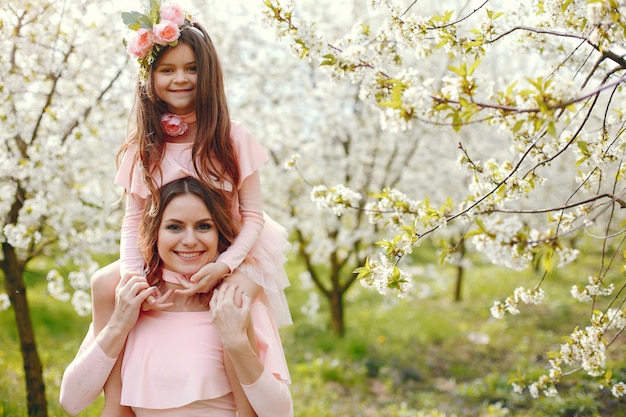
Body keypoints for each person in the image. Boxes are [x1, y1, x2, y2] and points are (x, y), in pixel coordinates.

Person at [89, 0, 292, 412]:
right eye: (167, 69)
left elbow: (253, 217)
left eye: (191, 68)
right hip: (168, 251)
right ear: (149, 78)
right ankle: (116, 404)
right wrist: (134, 277)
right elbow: (132, 221)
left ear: (208, 74)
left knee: (232, 306)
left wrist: (227, 264)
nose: (180, 79)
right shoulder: (144, 148)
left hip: (233, 251)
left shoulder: (232, 140)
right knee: (104, 284)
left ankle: (245, 404)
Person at [60, 177, 292, 416]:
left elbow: (280, 413)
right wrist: (119, 324)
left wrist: (238, 344)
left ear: (218, 232)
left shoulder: (233, 303)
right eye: (174, 227)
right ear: (155, 232)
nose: (190, 240)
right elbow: (72, 401)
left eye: (204, 226)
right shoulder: (128, 302)